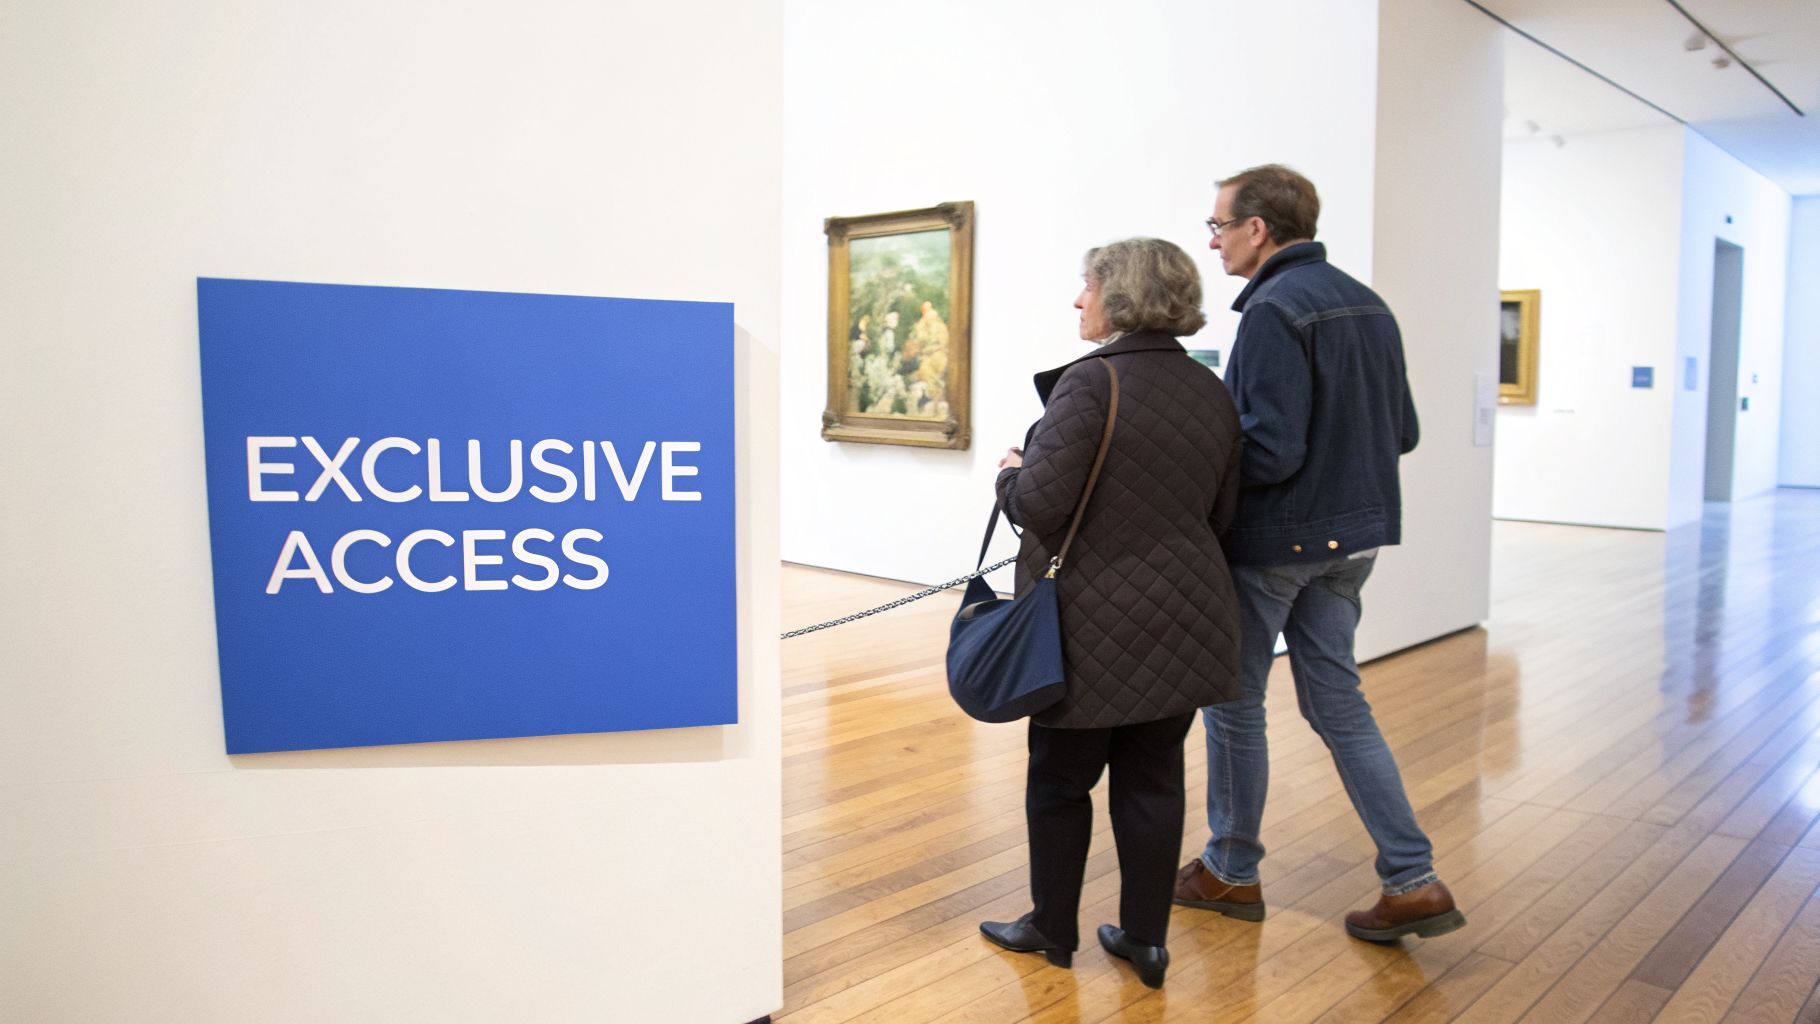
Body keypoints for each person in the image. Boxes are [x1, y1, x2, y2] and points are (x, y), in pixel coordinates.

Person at [1173, 164, 1466, 942]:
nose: (1213, 240)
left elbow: (1270, 451)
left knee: (1234, 704)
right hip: (1357, 539)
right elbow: (1402, 432)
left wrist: (1207, 455)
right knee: (1338, 703)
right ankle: (1412, 877)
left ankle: (1230, 871)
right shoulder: (1368, 304)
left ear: (1258, 229)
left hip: (1280, 542)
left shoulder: (1273, 310)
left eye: (1219, 226)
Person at [979, 238, 1244, 989]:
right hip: (1188, 617)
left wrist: (1010, 474)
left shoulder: (1089, 385)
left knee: (1060, 782)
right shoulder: (1209, 388)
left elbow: (1041, 505)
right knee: (1154, 781)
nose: (1077, 300)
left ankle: (1052, 930)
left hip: (1089, 628)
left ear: (1119, 295)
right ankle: (1146, 940)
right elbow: (1223, 512)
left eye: (1086, 285)